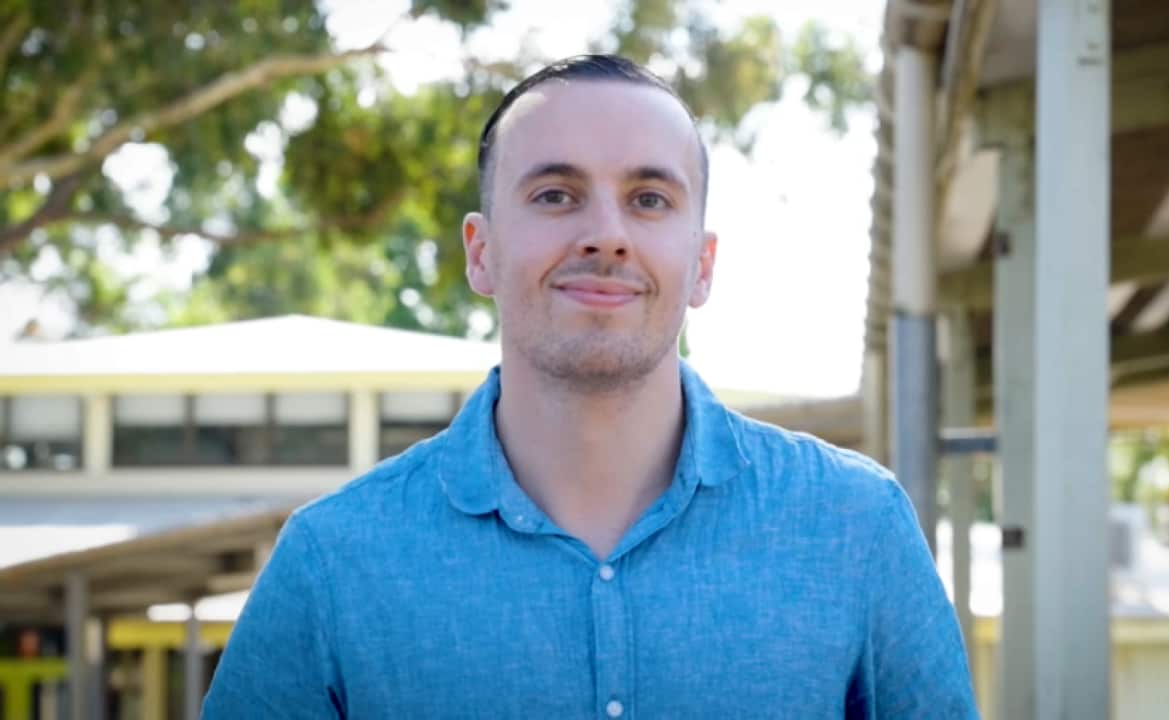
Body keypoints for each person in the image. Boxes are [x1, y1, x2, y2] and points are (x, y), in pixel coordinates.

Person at [203, 54, 977, 719]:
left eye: (649, 199)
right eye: (555, 194)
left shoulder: (856, 528)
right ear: (481, 253)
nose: (606, 233)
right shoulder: (331, 563)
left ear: (702, 265)